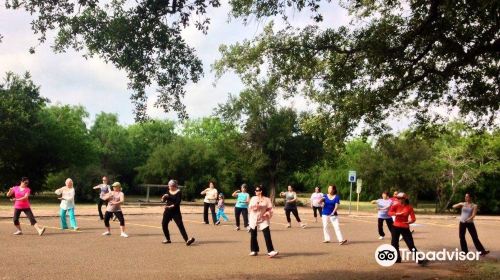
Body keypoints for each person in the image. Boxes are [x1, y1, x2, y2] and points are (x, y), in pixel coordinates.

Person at [388, 192, 427, 265]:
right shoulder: (395, 205)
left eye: (401, 198)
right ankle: (397, 259)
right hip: (395, 226)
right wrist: (396, 214)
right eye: (398, 198)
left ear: (405, 199)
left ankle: (418, 259)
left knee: (410, 244)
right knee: (394, 243)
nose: (399, 200)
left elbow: (413, 218)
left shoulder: (409, 207)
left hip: (404, 227)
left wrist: (410, 222)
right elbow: (389, 213)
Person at [161, 180, 195, 245]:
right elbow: (163, 200)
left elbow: (177, 203)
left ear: (173, 186)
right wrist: (163, 197)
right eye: (168, 186)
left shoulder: (178, 192)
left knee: (180, 225)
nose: (169, 187)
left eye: (170, 186)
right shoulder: (168, 191)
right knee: (164, 224)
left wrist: (169, 207)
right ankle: (168, 239)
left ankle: (187, 240)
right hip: (167, 212)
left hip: (175, 212)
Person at [248, 185, 278, 257]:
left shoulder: (267, 199)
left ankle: (270, 251)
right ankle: (254, 250)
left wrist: (267, 213)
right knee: (253, 235)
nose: (255, 191)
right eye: (255, 190)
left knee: (267, 234)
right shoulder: (253, 198)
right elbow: (250, 207)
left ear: (261, 191)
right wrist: (256, 206)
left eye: (257, 190)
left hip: (263, 219)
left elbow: (270, 209)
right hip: (253, 218)